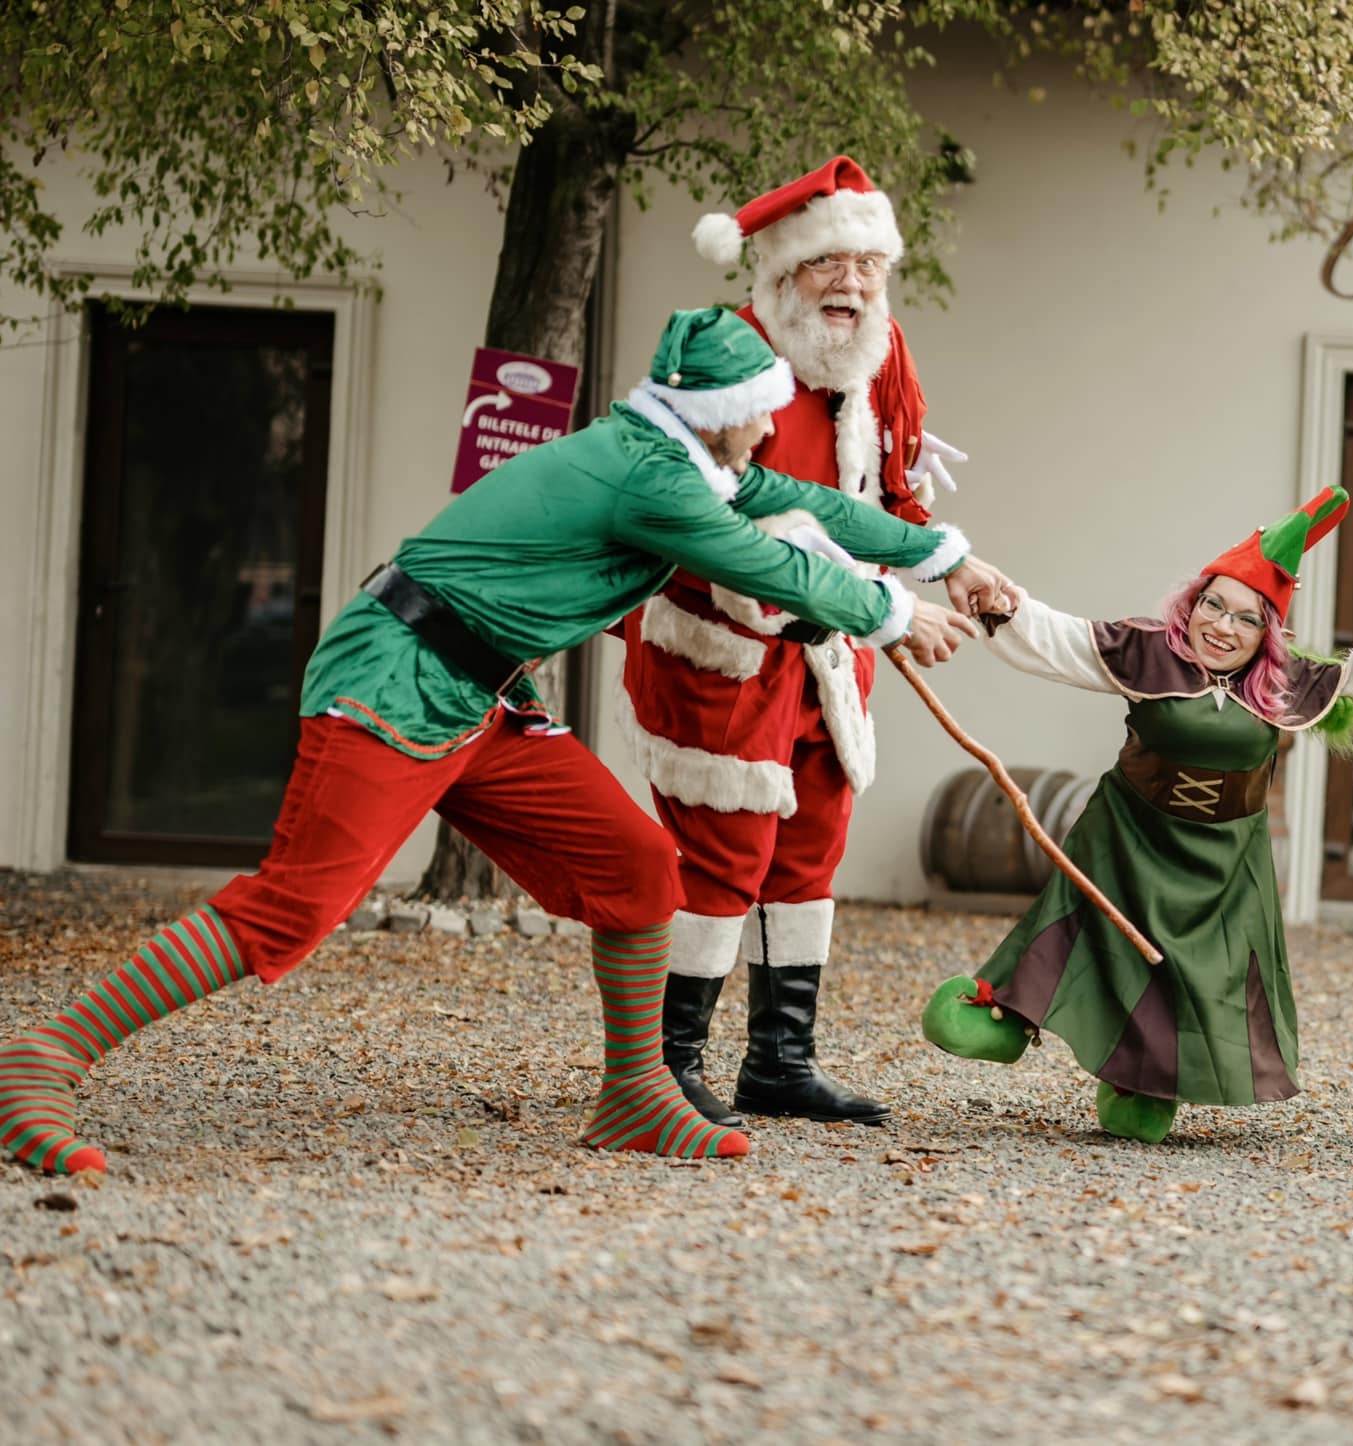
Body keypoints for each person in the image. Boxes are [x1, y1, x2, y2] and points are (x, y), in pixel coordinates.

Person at [0, 306, 1009, 1177]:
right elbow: (767, 563)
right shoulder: (653, 478)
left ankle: (633, 1098)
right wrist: (891, 613)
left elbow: (814, 508)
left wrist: (943, 559)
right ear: (725, 411)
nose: (771, 423)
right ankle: (41, 1059)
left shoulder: (687, 459)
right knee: (293, 909)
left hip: (480, 694)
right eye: (763, 405)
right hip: (395, 677)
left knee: (633, 864)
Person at [622, 156, 984, 1129]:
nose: (852, 284)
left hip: (831, 647)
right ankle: (669, 1064)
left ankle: (779, 1061)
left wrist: (938, 567)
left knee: (808, 848)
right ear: (779, 274)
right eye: (829, 263)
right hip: (719, 643)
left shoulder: (880, 350)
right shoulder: (723, 352)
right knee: (723, 850)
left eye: (868, 263)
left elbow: (892, 488)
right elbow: (691, 512)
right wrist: (885, 603)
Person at [919, 487, 1353, 1143]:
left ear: (1268, 632)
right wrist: (1001, 606)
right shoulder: (1148, 650)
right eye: (1214, 605)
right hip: (1131, 833)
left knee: (1198, 971)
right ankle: (1007, 1014)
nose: (1222, 626)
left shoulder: (1287, 681)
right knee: (1085, 929)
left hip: (1226, 859)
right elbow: (1059, 640)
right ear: (1193, 602)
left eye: (1244, 618)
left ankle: (1143, 1083)